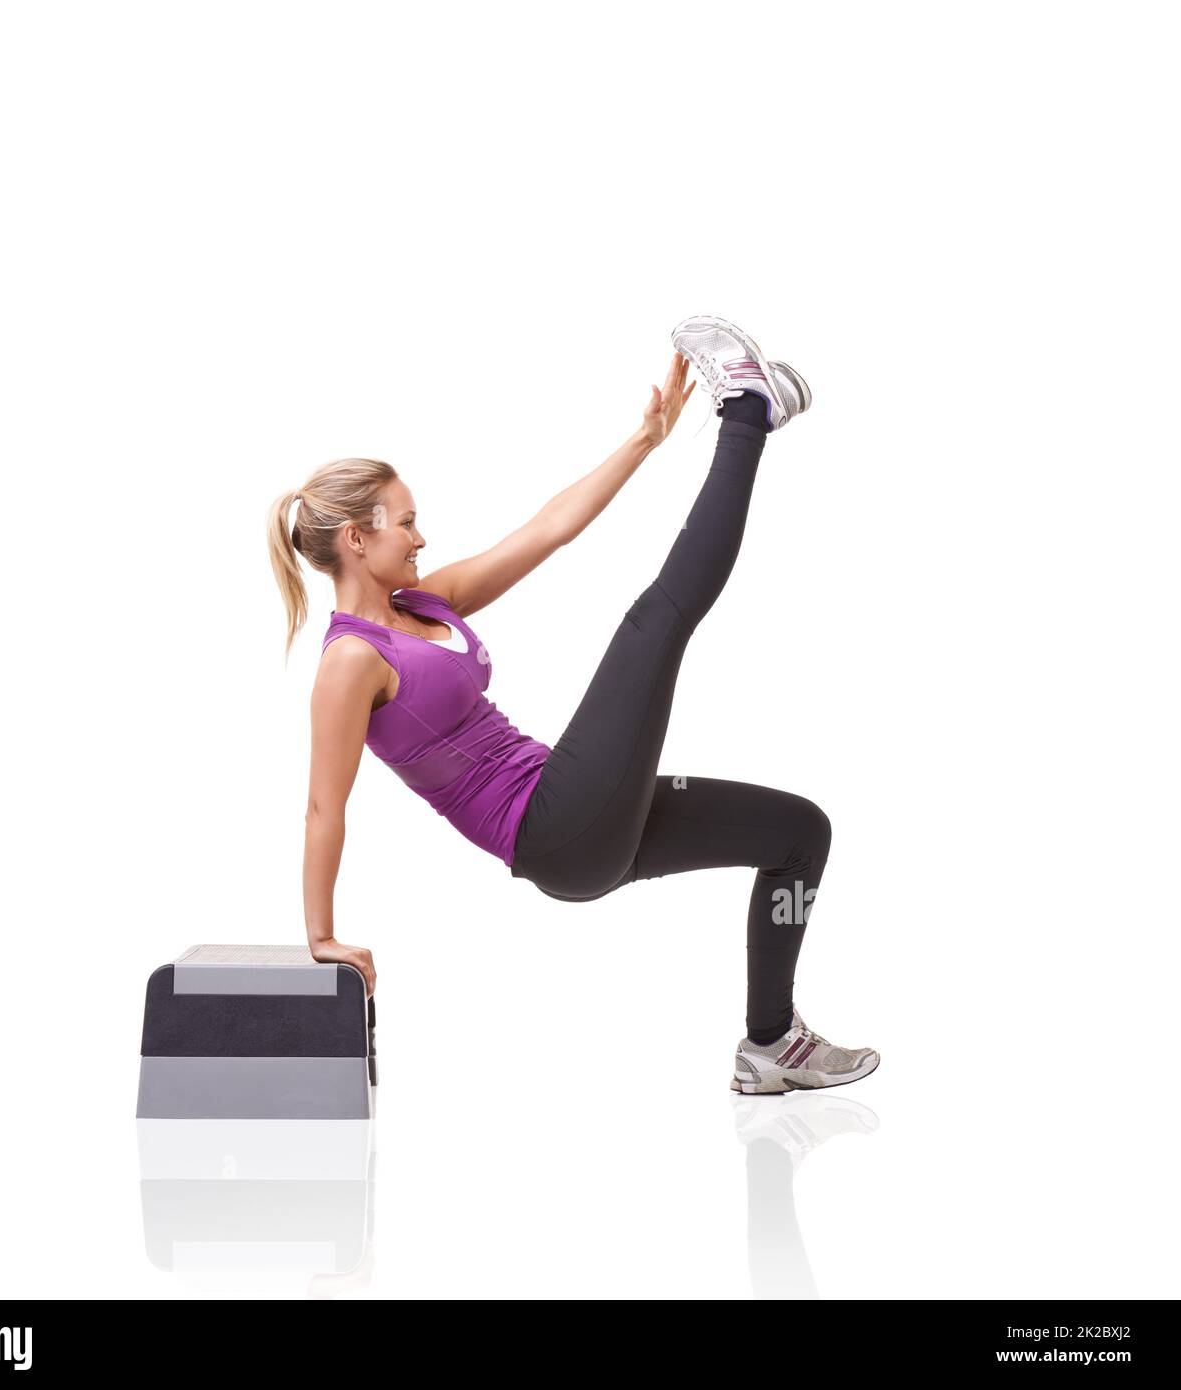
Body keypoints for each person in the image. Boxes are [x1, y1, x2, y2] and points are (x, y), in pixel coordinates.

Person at [266, 315, 879, 1094]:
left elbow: (548, 529)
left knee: (798, 833)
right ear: (356, 538)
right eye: (407, 521)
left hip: (582, 812)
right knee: (656, 620)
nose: (420, 536)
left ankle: (771, 1042)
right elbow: (324, 809)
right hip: (553, 827)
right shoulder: (352, 661)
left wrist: (643, 441)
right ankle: (747, 416)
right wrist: (320, 935)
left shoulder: (423, 603)